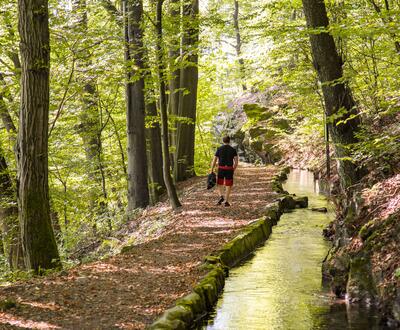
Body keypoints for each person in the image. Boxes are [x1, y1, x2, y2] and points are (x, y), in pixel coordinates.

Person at [210, 136, 238, 207]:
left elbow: (214, 160)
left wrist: (211, 169)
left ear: (223, 141)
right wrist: (233, 169)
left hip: (221, 169)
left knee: (219, 183)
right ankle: (226, 201)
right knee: (228, 185)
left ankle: (221, 196)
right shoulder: (233, 149)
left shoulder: (219, 149)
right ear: (229, 141)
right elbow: (236, 162)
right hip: (229, 169)